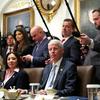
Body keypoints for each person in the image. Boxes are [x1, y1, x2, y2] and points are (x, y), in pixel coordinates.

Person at [80, 8, 100, 83]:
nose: (94, 22)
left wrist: (89, 42)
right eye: (93, 20)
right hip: (91, 72)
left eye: (96, 19)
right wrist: (87, 50)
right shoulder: (98, 33)